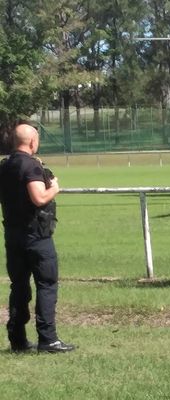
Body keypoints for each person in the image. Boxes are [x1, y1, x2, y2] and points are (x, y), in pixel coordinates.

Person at [0, 122, 75, 353]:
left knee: (19, 286)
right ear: (32, 142)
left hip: (13, 235)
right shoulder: (31, 166)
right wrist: (54, 188)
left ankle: (17, 339)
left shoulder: (4, 166)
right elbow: (39, 197)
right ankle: (48, 338)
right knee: (47, 284)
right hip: (36, 236)